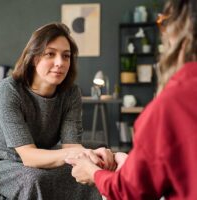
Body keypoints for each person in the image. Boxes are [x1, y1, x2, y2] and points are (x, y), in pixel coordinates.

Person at [65, 0, 197, 199]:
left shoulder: (169, 105)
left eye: (162, 23)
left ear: (178, 30)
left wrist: (92, 172)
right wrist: (128, 162)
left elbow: (130, 191)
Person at [0, 22, 115, 200]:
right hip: (0, 164)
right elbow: (29, 156)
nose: (60, 63)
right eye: (50, 54)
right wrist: (83, 154)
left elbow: (71, 145)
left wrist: (91, 156)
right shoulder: (8, 90)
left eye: (66, 56)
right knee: (36, 179)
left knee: (86, 174)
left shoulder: (71, 93)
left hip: (41, 160)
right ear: (33, 57)